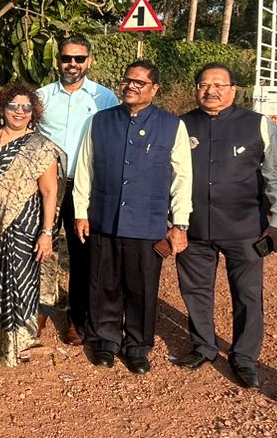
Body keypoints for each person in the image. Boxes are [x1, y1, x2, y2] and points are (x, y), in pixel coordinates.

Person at [172, 63, 277, 389]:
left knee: (248, 294)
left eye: (219, 85)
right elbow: (172, 176)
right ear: (196, 88)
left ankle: (244, 358)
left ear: (234, 89)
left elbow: (275, 175)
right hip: (194, 228)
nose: (211, 91)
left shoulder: (258, 125)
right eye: (204, 84)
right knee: (195, 291)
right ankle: (203, 346)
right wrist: (174, 221)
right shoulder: (181, 125)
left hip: (245, 227)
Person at [71, 60, 192, 374]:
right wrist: (81, 213)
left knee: (141, 288)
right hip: (104, 217)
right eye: (127, 80)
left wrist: (180, 223)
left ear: (155, 89)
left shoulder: (171, 125)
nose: (131, 86)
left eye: (140, 82)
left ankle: (137, 345)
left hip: (147, 222)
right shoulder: (99, 121)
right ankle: (104, 341)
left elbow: (182, 178)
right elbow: (85, 168)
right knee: (103, 284)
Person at [0, 84, 62, 365]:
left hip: (23, 224)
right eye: (13, 107)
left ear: (33, 112)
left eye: (26, 108)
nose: (19, 112)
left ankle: (17, 339)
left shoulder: (40, 147)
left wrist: (46, 232)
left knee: (17, 278)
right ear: (2, 109)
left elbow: (49, 192)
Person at [36, 36, 118, 344]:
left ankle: (77, 315)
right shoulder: (41, 96)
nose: (73, 64)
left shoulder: (105, 98)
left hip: (85, 186)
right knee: (43, 247)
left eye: (79, 59)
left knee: (83, 251)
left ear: (89, 61)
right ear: (58, 60)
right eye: (67, 58)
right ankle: (41, 307)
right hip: (47, 185)